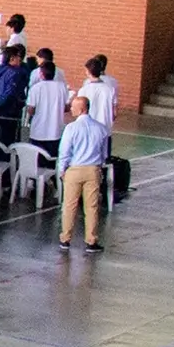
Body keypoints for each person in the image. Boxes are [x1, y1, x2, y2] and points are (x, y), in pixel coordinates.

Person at [56, 94, 110, 254]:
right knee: (92, 207)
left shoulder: (71, 128)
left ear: (81, 109)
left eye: (73, 106)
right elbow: (104, 153)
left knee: (69, 206)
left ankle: (65, 239)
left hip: (74, 169)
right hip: (93, 169)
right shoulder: (101, 128)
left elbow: (64, 152)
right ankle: (91, 241)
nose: (70, 108)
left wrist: (62, 170)